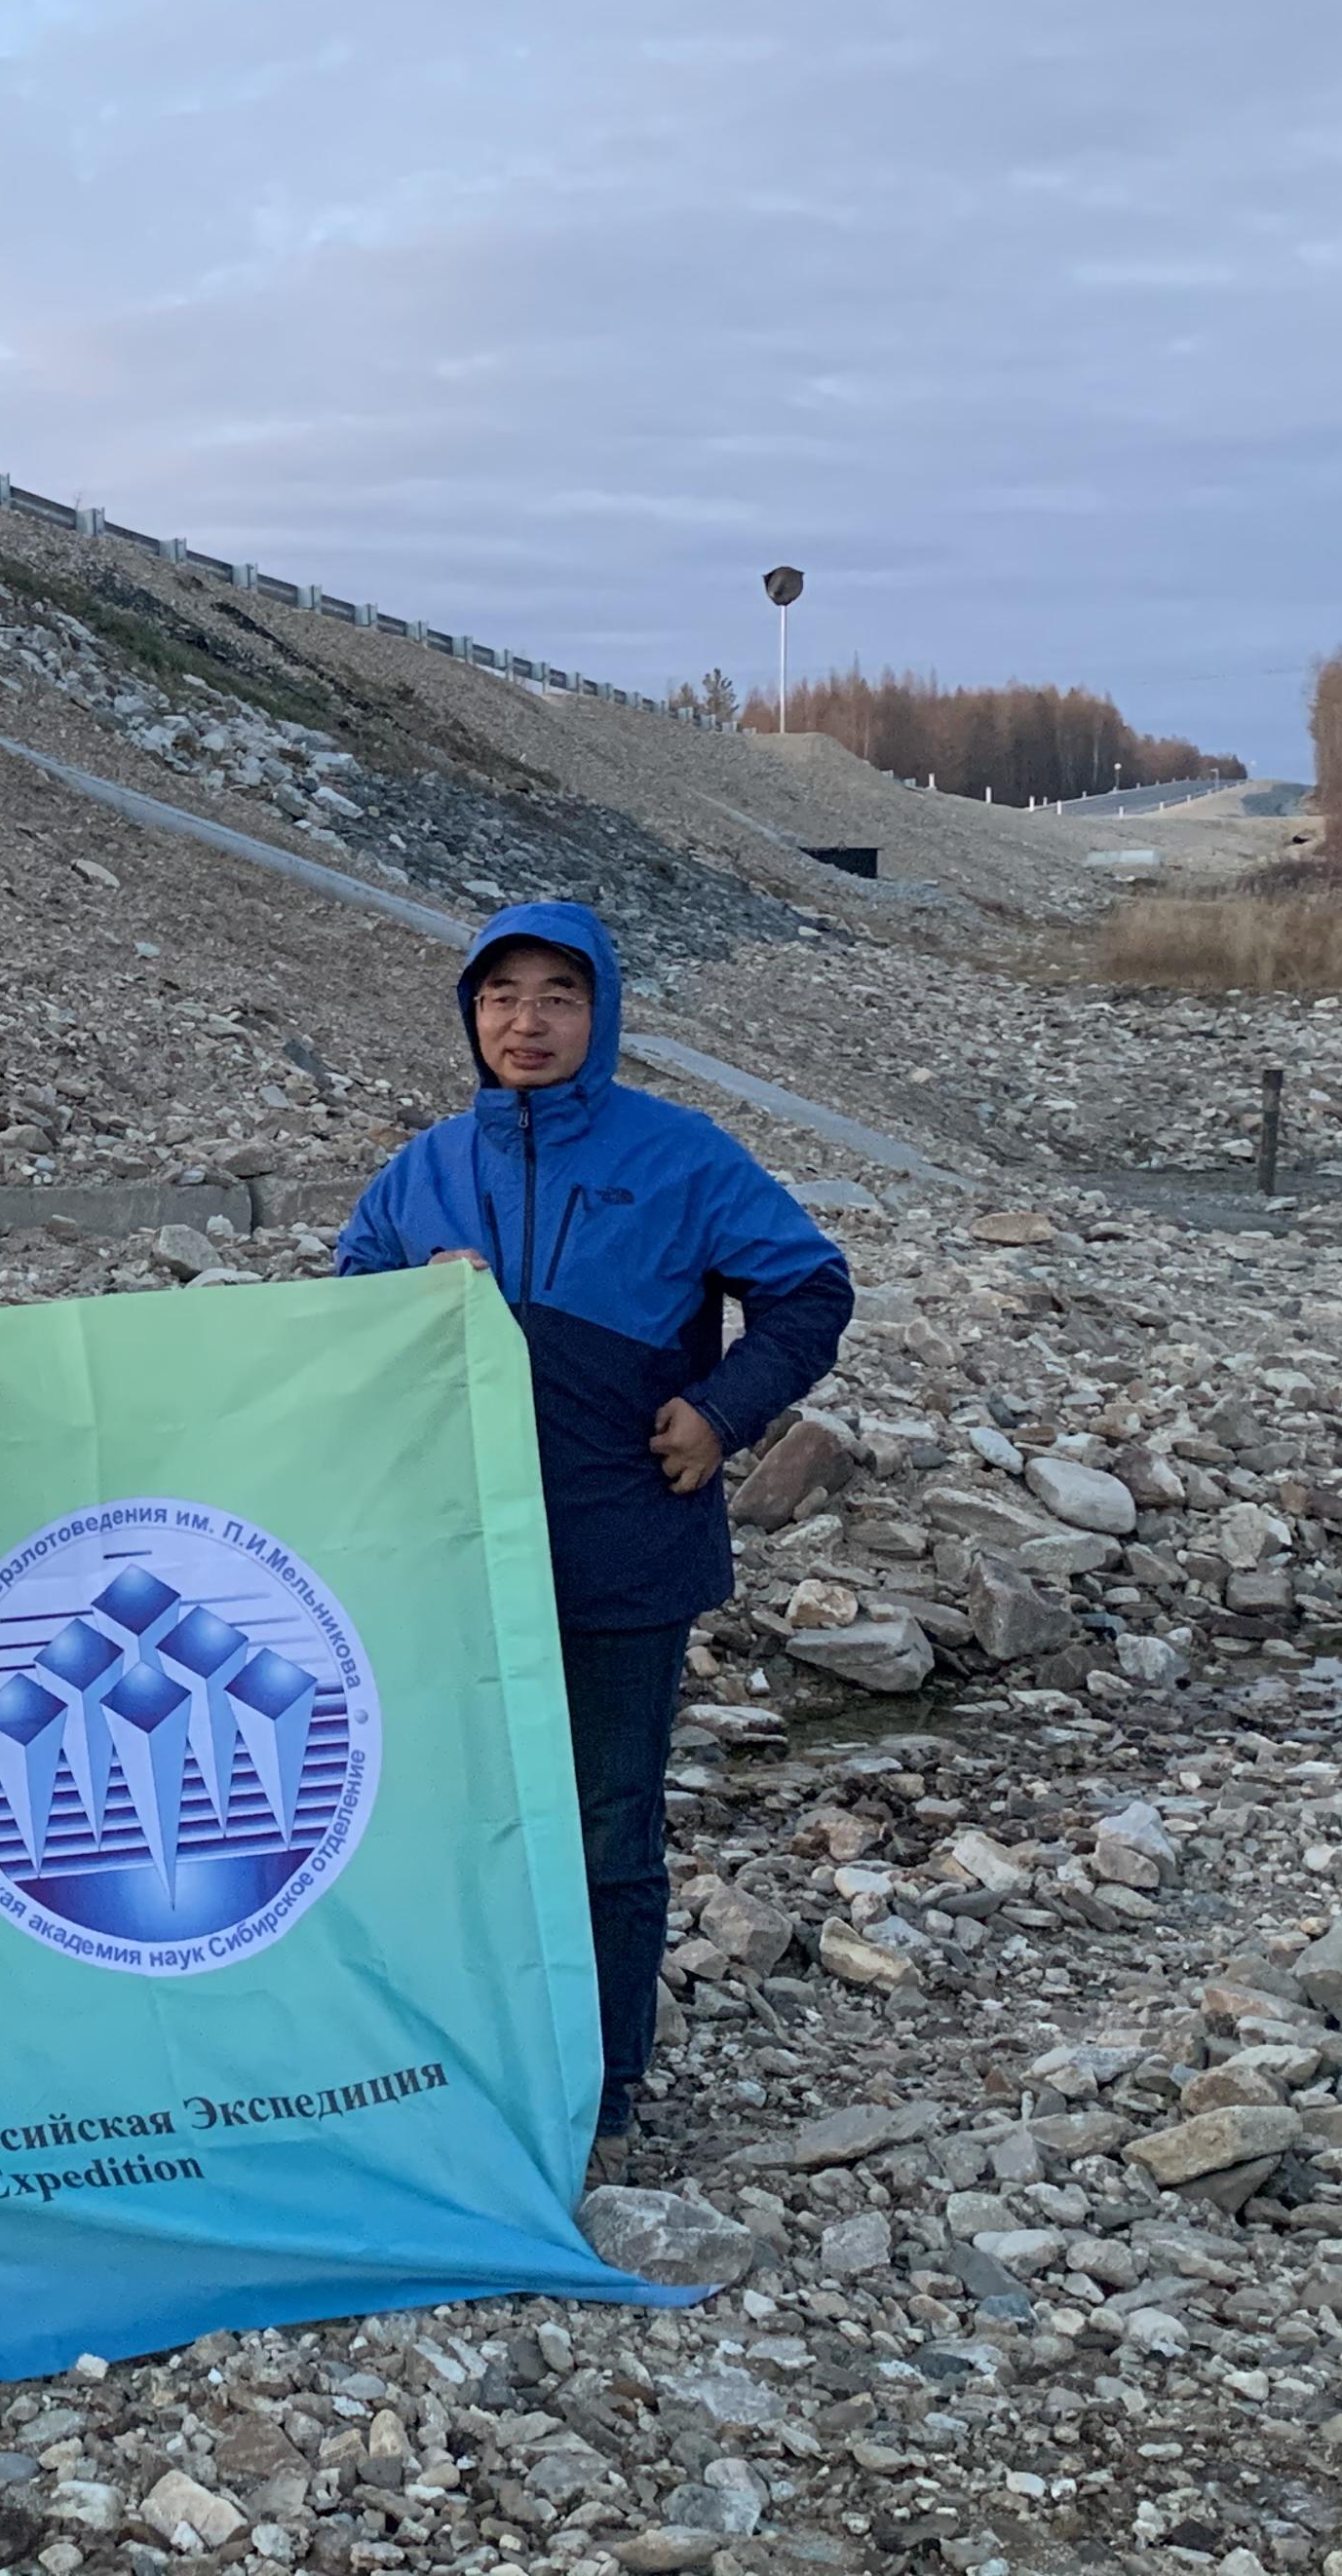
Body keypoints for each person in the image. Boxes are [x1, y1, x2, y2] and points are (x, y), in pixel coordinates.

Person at [336, 900, 852, 2146]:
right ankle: (469, 2061)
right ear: (471, 1013)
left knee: (609, 1823)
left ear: (601, 1013)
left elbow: (810, 1289)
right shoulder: (423, 1171)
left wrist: (720, 1412)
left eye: (558, 996)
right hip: (453, 1555)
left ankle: (603, 2084)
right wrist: (409, 1300)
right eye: (501, 995)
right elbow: (341, 1308)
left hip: (625, 1545)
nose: (527, 1021)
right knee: (455, 1819)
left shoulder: (681, 1155)